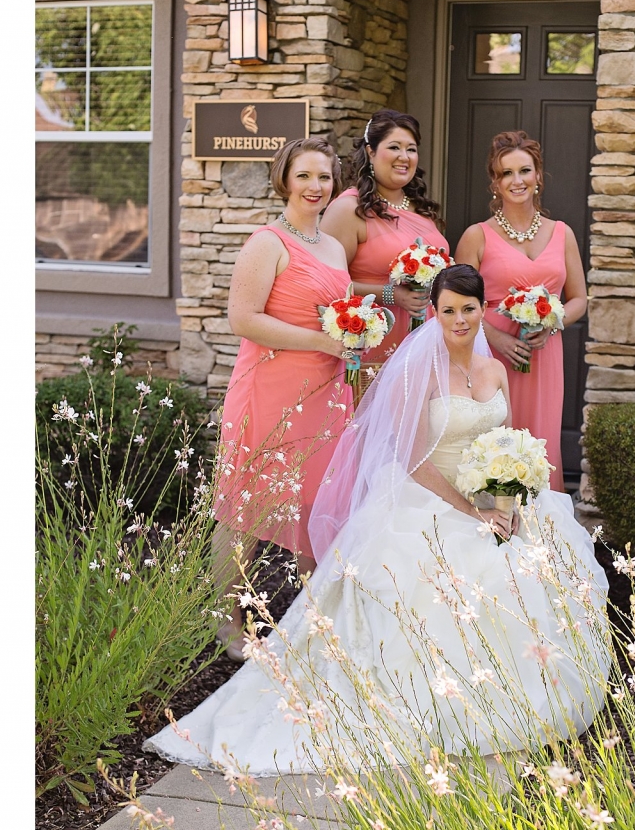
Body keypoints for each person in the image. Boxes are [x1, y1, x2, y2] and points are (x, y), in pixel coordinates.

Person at [145, 264, 610, 776]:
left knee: (533, 568)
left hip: (489, 499)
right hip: (432, 499)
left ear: (484, 310)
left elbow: (504, 443)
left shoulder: (495, 370)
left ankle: (520, 696)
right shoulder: (418, 373)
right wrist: (471, 510)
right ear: (434, 312)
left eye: (469, 309)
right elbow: (412, 459)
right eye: (448, 310)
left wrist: (509, 499)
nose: (459, 319)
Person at [212, 137, 355, 660]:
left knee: (319, 499)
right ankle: (225, 618)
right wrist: (322, 340)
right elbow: (243, 318)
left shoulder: (333, 246)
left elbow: (336, 311)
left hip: (325, 389)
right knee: (247, 506)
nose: (316, 186)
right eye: (305, 176)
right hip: (270, 389)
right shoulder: (267, 242)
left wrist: (352, 336)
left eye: (324, 177)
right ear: (285, 180)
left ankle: (313, 617)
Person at [455, 130, 588, 492]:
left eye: (525, 170)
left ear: (538, 176)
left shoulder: (562, 233)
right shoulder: (476, 236)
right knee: (497, 443)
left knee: (541, 442)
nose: (517, 180)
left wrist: (553, 323)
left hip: (544, 357)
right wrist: (496, 337)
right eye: (506, 173)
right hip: (491, 356)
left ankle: (542, 524)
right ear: (495, 183)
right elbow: (457, 306)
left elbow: (579, 299)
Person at [320, 109, 448, 360]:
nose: (404, 157)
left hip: (426, 340)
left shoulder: (422, 209)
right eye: (394, 147)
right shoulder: (348, 209)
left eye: (411, 149)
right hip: (373, 341)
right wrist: (391, 294)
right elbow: (327, 284)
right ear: (371, 152)